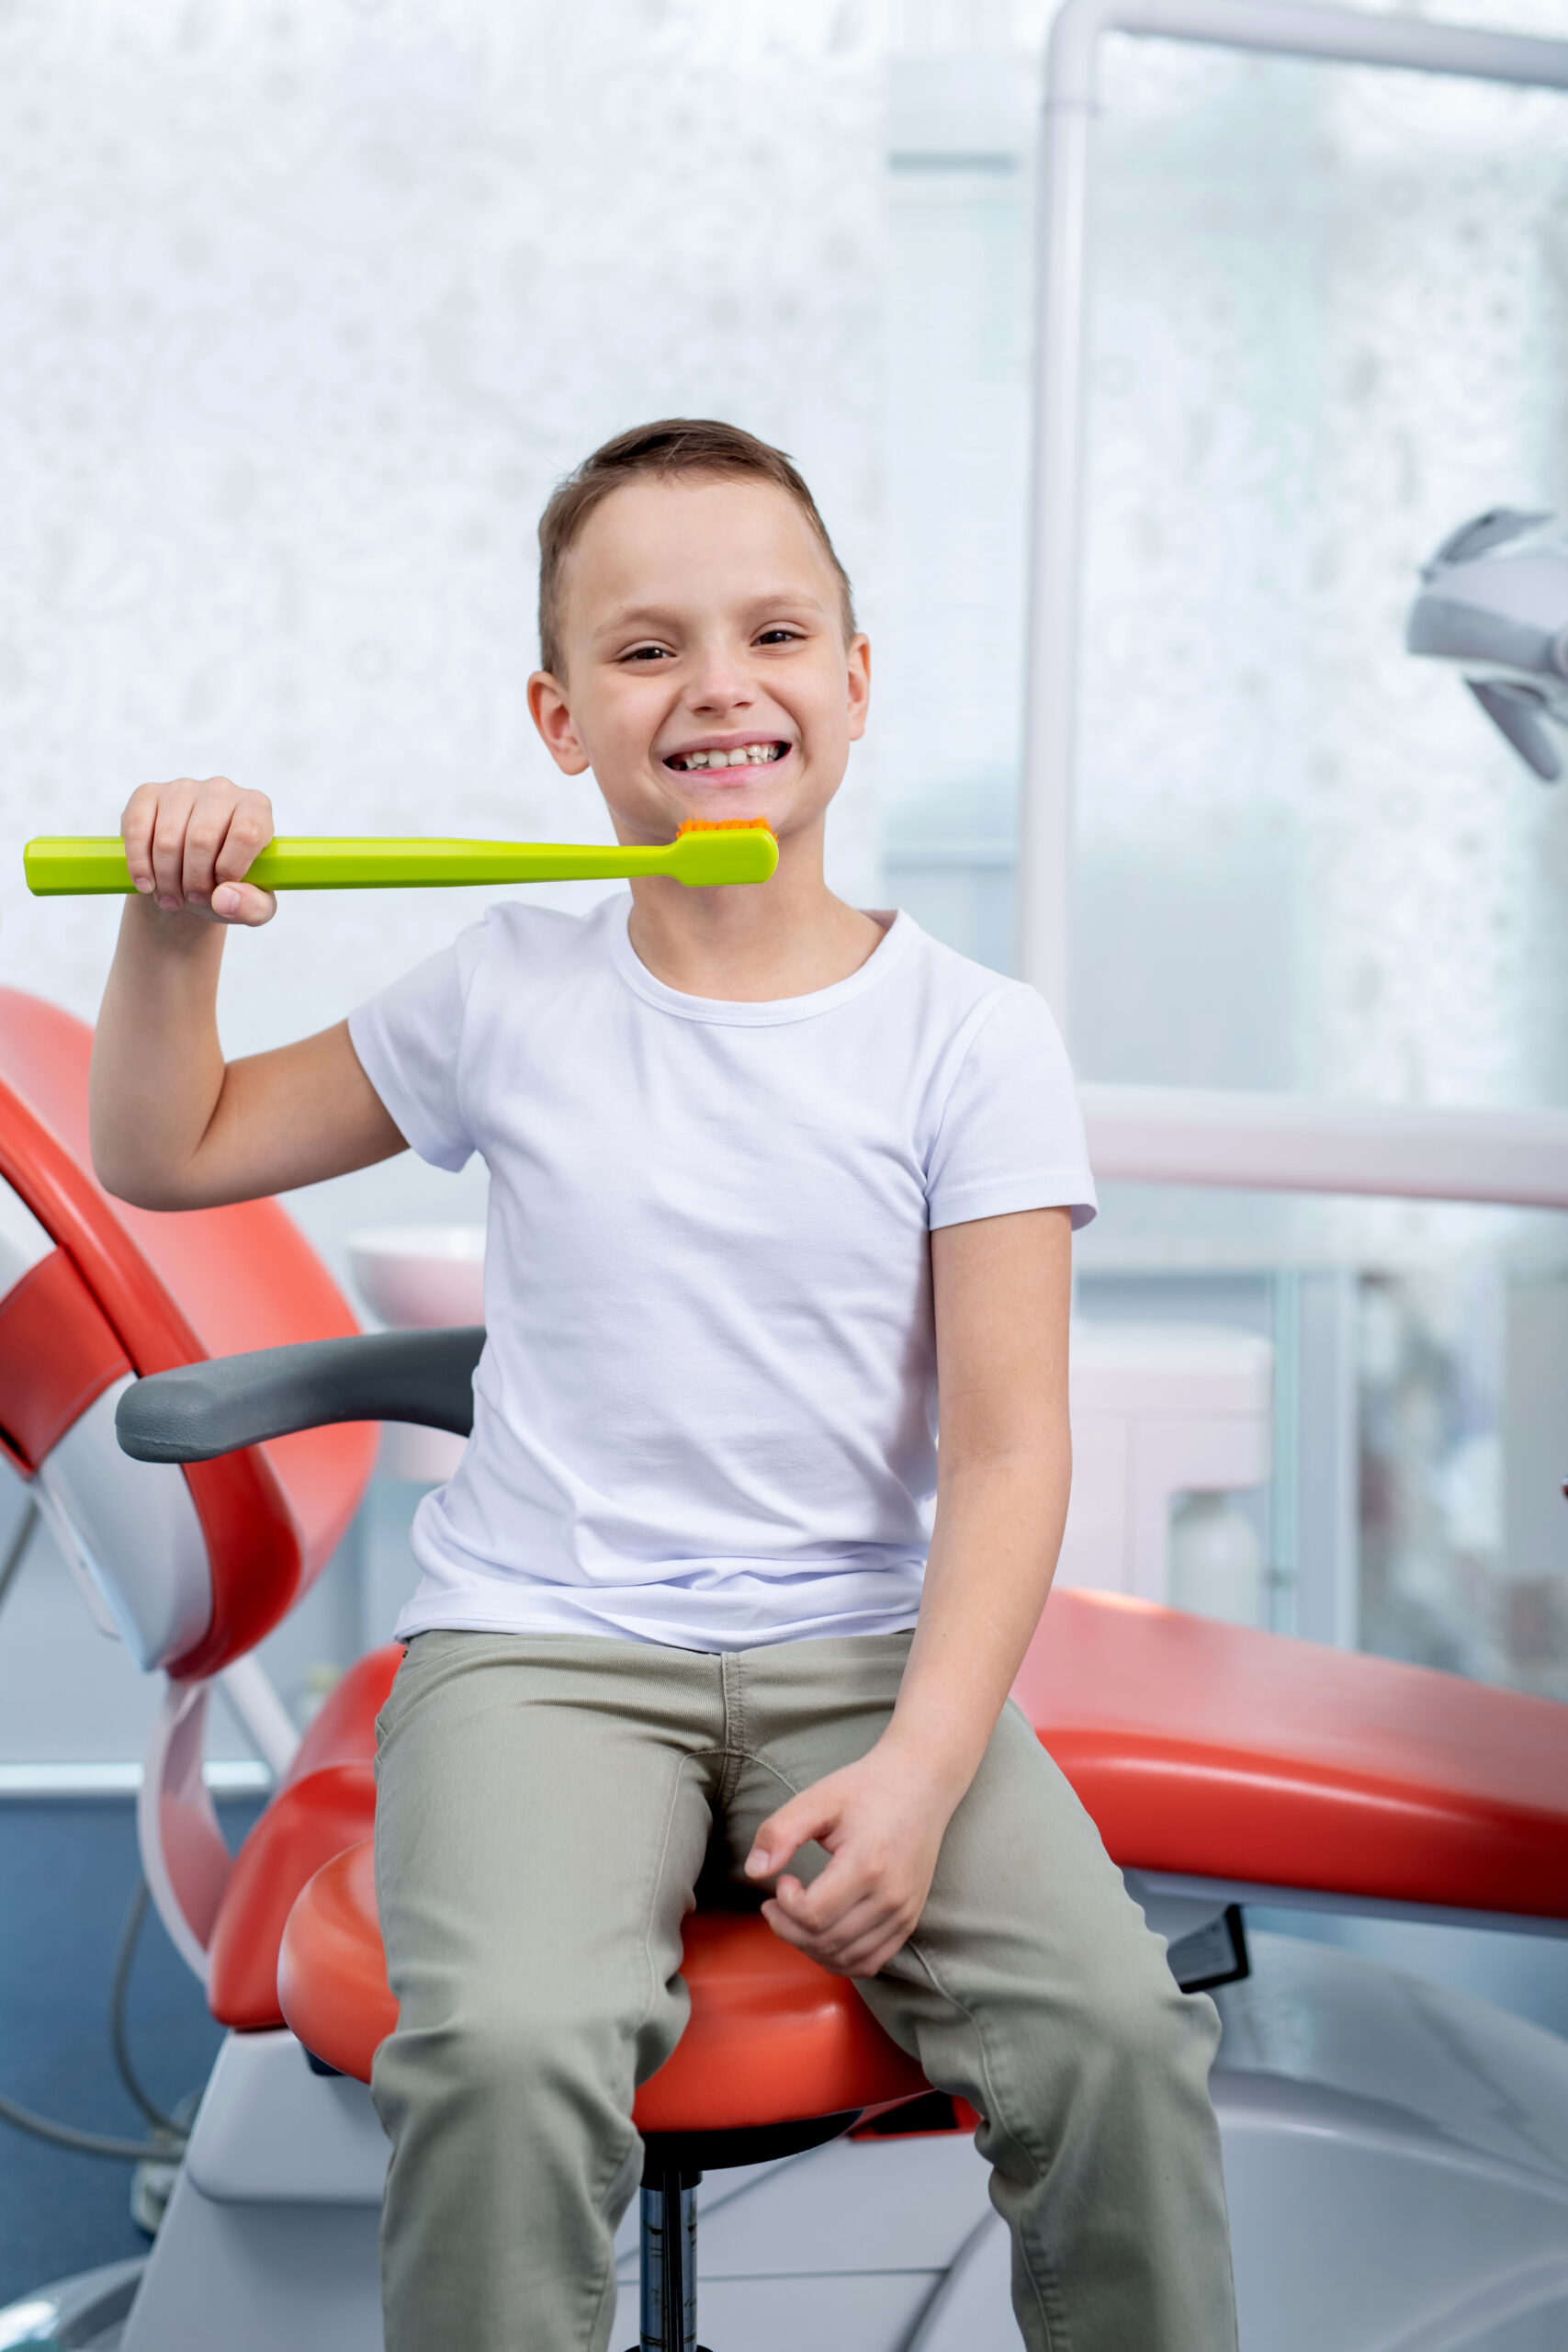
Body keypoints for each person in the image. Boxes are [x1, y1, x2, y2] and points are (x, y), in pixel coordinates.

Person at [90, 417, 1237, 2352]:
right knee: (511, 2047)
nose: (718, 683)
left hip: (862, 1648)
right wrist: (173, 920)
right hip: (540, 1649)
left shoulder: (969, 1038)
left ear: (852, 685)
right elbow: (170, 1144)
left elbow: (1008, 1443)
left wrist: (921, 1768)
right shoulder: (506, 988)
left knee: (1118, 2035)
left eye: (775, 633)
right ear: (560, 718)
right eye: (645, 650)